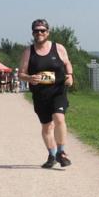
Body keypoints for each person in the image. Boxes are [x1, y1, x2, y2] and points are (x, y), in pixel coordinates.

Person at [18, 19, 75, 168]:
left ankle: (61, 153)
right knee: (47, 127)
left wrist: (69, 75)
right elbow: (21, 74)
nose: (39, 33)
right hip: (40, 94)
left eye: (42, 30)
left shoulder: (58, 48)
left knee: (59, 118)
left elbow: (67, 62)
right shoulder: (28, 52)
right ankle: (52, 155)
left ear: (48, 32)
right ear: (32, 33)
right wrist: (30, 78)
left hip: (58, 90)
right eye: (36, 31)